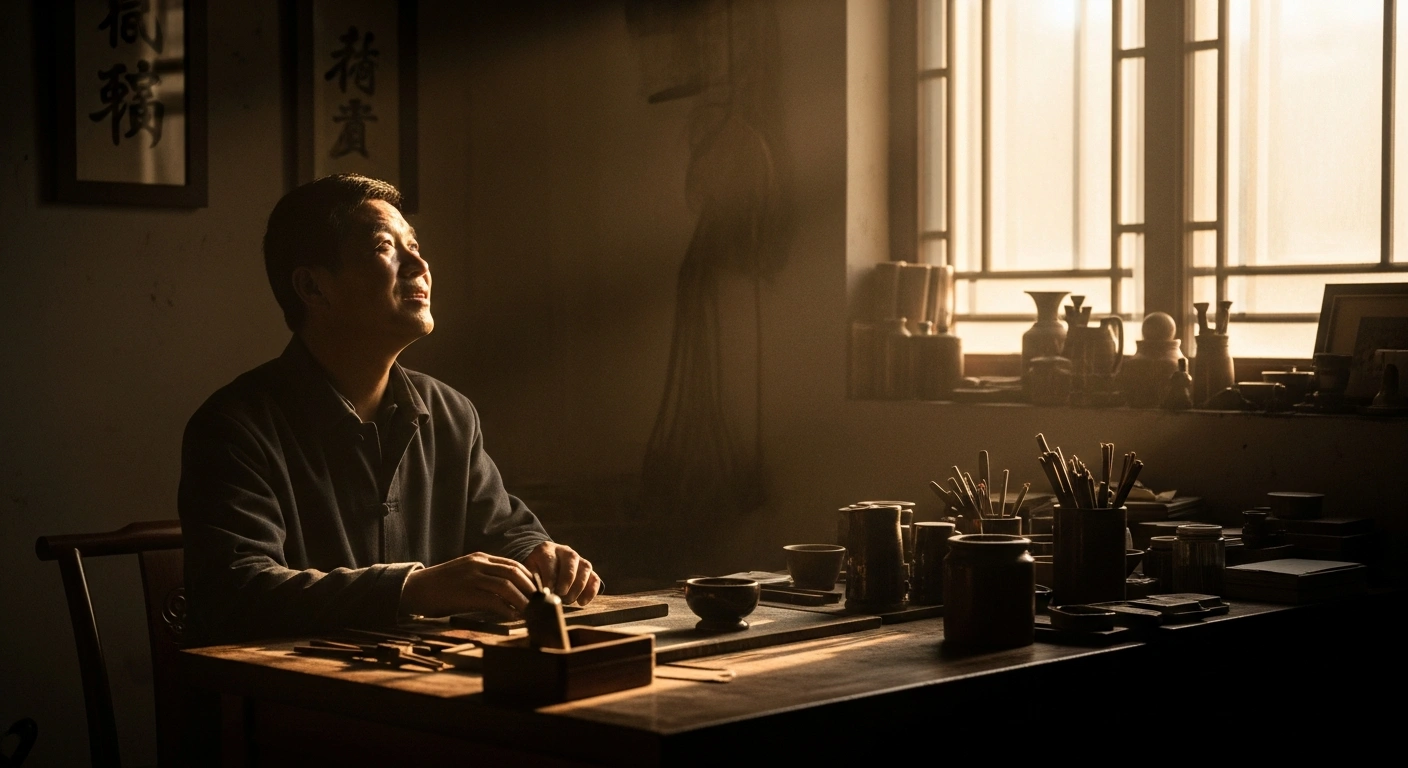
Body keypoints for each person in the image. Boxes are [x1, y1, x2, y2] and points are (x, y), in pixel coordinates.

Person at [179, 173, 601, 644]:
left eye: (414, 244)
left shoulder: (448, 413)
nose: (419, 263)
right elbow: (235, 592)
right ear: (314, 288)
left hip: (427, 684)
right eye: (385, 247)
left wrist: (537, 556)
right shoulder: (236, 426)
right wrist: (410, 589)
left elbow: (505, 531)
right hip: (296, 699)